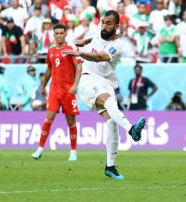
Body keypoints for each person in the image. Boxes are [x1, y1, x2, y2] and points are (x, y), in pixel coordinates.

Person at [63, 10, 146, 180]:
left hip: (105, 82)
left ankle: (110, 166)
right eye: (103, 22)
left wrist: (79, 53)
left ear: (117, 26)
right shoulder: (97, 33)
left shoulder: (118, 45)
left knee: (111, 122)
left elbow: (100, 57)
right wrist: (73, 44)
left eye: (109, 23)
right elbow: (87, 40)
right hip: (87, 80)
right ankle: (131, 130)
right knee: (109, 103)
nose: (104, 26)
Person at [31, 23, 82, 161]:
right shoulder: (51, 51)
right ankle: (40, 149)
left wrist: (76, 84)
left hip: (68, 91)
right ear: (54, 35)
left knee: (71, 121)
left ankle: (73, 151)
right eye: (57, 33)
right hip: (54, 90)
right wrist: (43, 85)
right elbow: (49, 69)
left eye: (61, 33)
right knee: (48, 118)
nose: (59, 35)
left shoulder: (70, 48)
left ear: (65, 34)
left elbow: (78, 67)